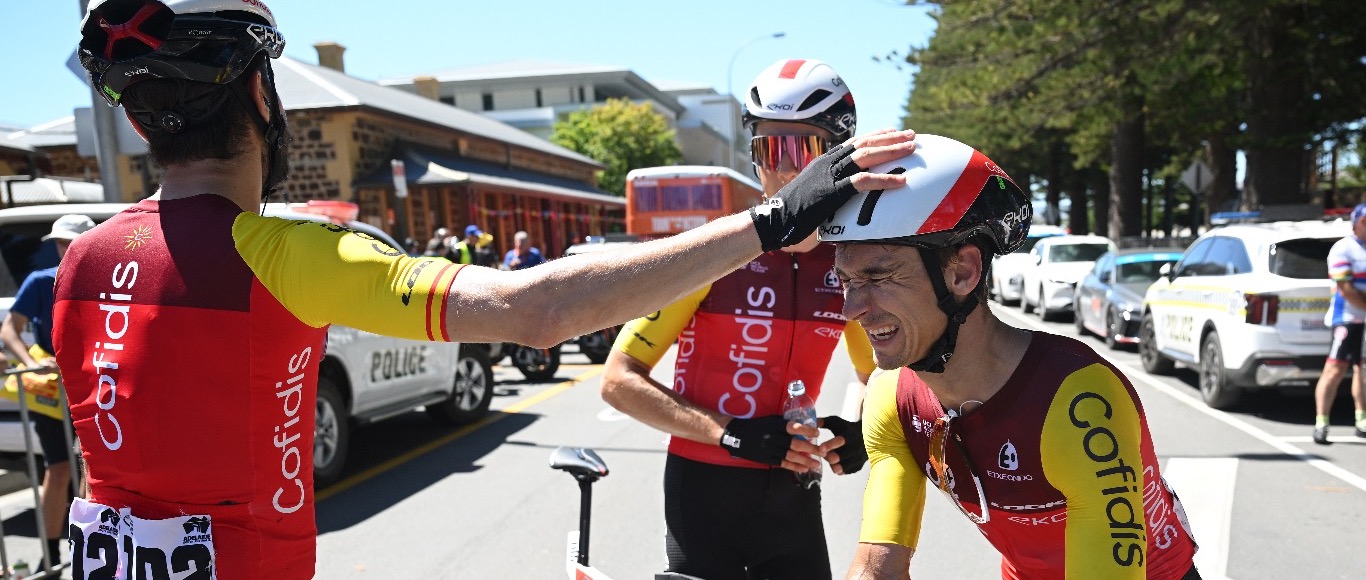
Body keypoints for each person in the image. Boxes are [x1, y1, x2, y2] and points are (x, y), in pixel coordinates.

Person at [64, 2, 914, 578]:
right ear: (262, 92)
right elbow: (536, 311)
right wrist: (767, 225)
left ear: (138, 119)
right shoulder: (284, 255)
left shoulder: (79, 262)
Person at [822, 134, 1201, 580]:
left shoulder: (1078, 402)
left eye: (878, 275)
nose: (850, 309)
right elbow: (875, 569)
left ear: (962, 272)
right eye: (845, 280)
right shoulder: (892, 397)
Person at [600, 58, 873, 580]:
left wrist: (861, 427)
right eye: (770, 148)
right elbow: (618, 381)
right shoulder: (712, 253)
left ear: (835, 155)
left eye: (801, 149)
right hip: (704, 491)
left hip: (793, 494)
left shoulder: (848, 261)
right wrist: (728, 432)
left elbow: (874, 374)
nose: (784, 169)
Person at [0, 214, 94, 571]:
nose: (64, 248)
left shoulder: (103, 281)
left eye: (70, 241)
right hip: (52, 391)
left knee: (93, 469)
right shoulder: (41, 281)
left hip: (92, 388)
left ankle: (89, 551)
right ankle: (51, 555)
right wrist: (32, 361)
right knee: (58, 470)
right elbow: (11, 329)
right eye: (59, 242)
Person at [1312, 203, 1366, 445]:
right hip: (1347, 319)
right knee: (1335, 370)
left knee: (1363, 370)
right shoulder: (1343, 248)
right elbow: (1346, 289)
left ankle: (1361, 420)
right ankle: (1322, 422)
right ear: (1356, 223)